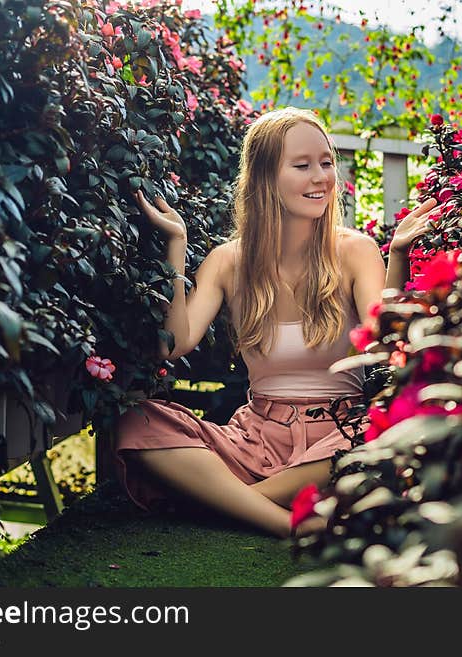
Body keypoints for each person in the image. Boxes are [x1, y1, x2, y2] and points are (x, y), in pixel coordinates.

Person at [116, 107, 440, 538]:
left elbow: (386, 339)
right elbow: (173, 344)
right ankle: (288, 522)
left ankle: (230, 501)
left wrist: (397, 255)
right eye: (302, 166)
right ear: (266, 177)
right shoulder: (227, 261)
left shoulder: (355, 251)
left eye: (326, 162)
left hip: (342, 435)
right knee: (135, 420)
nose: (320, 177)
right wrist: (177, 245)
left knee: (389, 429)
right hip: (256, 440)